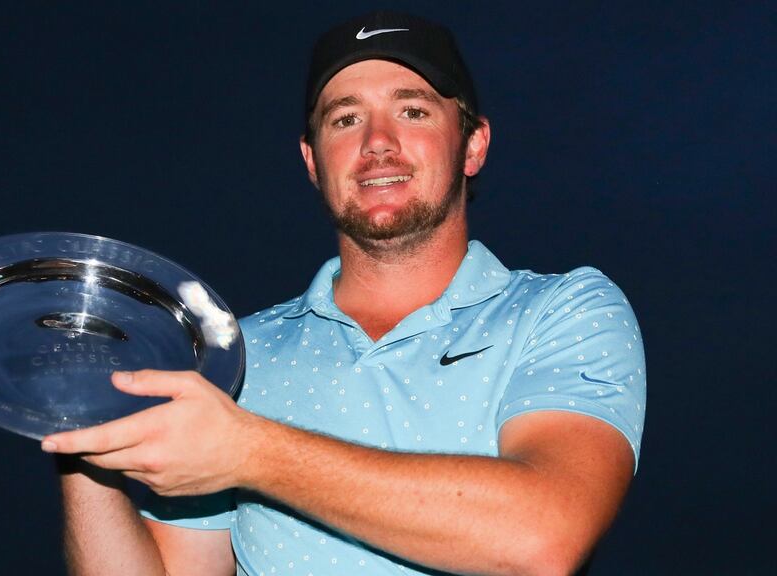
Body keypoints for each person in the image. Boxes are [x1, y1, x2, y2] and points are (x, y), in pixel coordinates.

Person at [42, 10, 646, 576]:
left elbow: (543, 536)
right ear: (312, 160)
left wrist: (250, 451)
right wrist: (81, 435)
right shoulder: (236, 354)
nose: (377, 141)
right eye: (345, 119)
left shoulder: (562, 311)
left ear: (473, 145)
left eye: (412, 111)